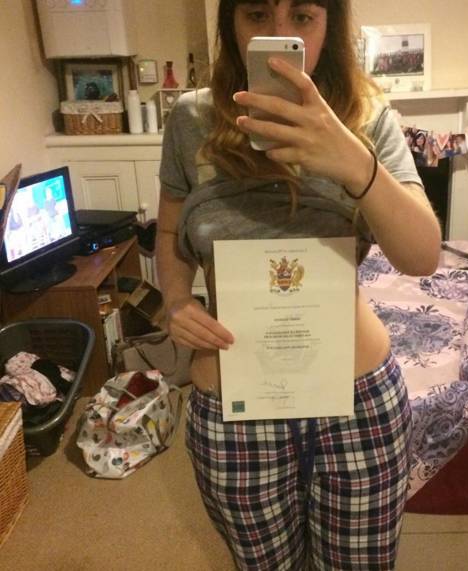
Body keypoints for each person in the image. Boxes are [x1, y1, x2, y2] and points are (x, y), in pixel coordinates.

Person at [156, 1, 441, 569]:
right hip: (233, 406)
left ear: (330, 24)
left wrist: (353, 163)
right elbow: (169, 229)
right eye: (257, 14)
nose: (279, 34)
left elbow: (422, 256)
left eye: (303, 16)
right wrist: (177, 299)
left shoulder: (366, 117)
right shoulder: (191, 118)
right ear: (231, 23)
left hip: (358, 402)